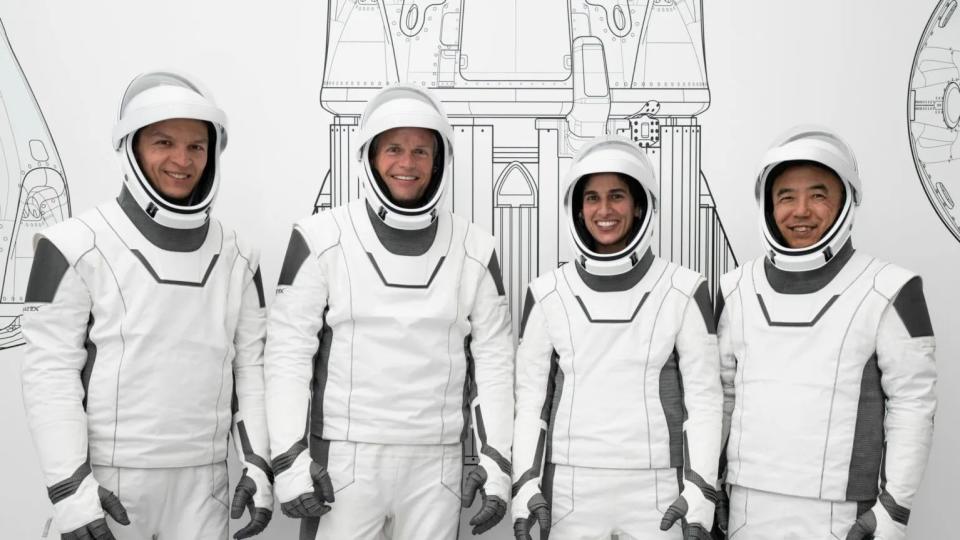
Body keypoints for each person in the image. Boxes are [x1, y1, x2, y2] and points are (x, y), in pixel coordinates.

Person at [20, 71, 273, 540]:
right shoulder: (70, 245)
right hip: (108, 488)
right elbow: (48, 375)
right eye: (163, 142)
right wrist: (69, 489)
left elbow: (251, 373)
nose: (182, 160)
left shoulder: (240, 256)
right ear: (131, 146)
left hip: (206, 487)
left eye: (196, 146)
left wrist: (258, 463)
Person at [265, 84, 514, 539]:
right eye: (394, 148)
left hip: (437, 464)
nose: (408, 163)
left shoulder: (477, 248)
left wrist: (496, 462)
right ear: (370, 156)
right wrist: (288, 459)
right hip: (342, 462)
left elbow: (496, 365)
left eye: (422, 151)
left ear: (438, 161)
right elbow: (286, 356)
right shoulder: (320, 237)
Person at [716, 127, 937, 539]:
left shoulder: (891, 289)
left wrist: (895, 509)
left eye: (818, 195)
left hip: (841, 515)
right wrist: (709, 486)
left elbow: (913, 406)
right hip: (748, 508)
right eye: (786, 197)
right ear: (767, 205)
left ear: (846, 202)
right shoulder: (735, 289)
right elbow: (722, 399)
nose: (801, 211)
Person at [511, 136, 722, 540]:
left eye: (616, 196)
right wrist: (525, 485)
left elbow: (705, 402)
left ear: (640, 204)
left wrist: (701, 489)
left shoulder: (683, 289)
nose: (603, 210)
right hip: (572, 487)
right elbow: (531, 403)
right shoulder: (547, 293)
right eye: (591, 198)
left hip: (659, 488)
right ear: (578, 208)